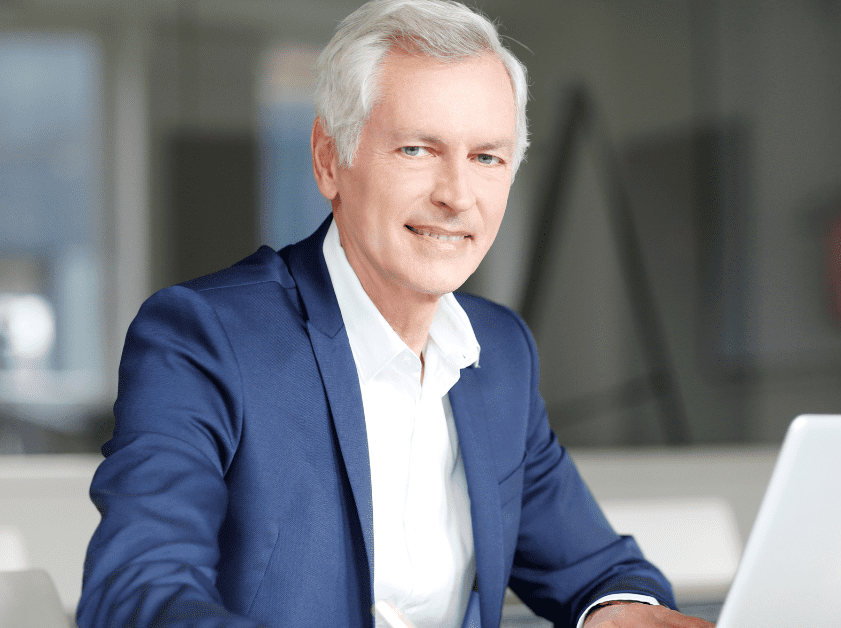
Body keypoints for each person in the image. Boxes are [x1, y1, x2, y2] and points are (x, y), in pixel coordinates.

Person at [77, 1, 715, 628]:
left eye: (486, 157)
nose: (456, 195)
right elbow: (137, 594)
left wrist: (621, 615)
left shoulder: (499, 355)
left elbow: (598, 571)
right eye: (417, 149)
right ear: (331, 161)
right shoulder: (204, 338)